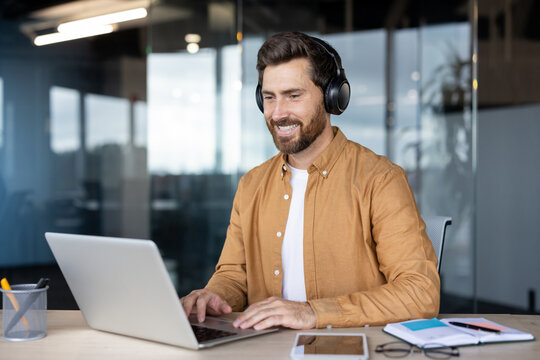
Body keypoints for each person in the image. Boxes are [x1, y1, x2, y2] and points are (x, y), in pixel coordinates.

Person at [181, 31, 439, 330]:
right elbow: (233, 275)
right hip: (266, 349)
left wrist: (311, 312)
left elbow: (421, 293)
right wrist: (213, 296)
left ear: (332, 97)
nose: (278, 113)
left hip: (349, 348)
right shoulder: (251, 185)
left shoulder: (380, 179)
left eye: (293, 95)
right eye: (269, 97)